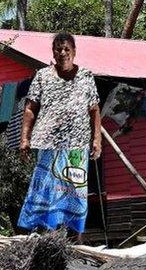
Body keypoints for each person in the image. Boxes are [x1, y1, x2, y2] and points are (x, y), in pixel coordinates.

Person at [17, 33, 102, 239]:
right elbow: (30, 108)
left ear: (74, 51)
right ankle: (45, 237)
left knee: (76, 192)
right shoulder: (43, 76)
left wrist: (97, 139)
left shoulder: (85, 76)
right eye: (58, 49)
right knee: (46, 191)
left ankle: (76, 240)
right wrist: (25, 138)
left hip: (77, 147)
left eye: (66, 49)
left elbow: (94, 110)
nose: (62, 53)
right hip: (48, 145)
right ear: (53, 52)